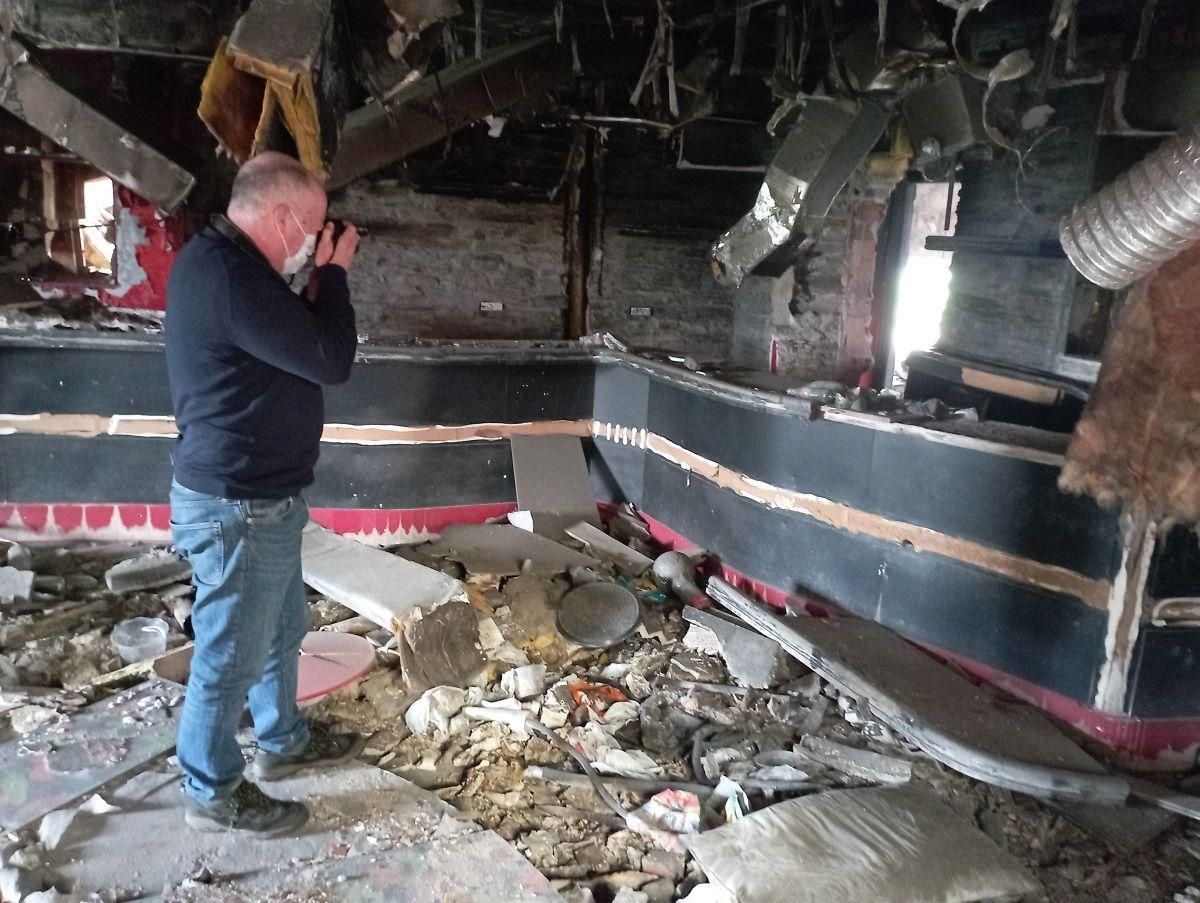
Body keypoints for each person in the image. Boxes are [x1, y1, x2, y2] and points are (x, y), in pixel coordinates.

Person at [165, 152, 362, 835]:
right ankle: (212, 785)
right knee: (230, 652)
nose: (313, 241)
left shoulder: (232, 266)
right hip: (239, 506)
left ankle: (283, 740)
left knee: (281, 630)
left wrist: (313, 278)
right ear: (283, 217)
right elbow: (330, 358)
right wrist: (334, 273)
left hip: (260, 499)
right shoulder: (230, 278)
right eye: (310, 229)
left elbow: (294, 339)